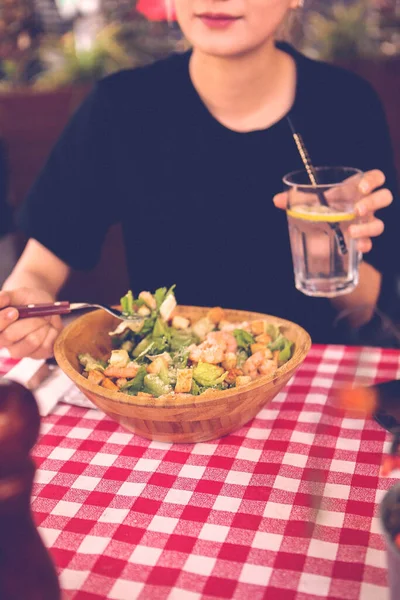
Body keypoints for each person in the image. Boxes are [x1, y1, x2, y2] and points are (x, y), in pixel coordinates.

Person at [0, 0, 398, 359]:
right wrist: (26, 310)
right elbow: (37, 270)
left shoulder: (347, 105)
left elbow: (367, 315)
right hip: (164, 391)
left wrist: (331, 250)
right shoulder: (121, 106)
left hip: (309, 389)